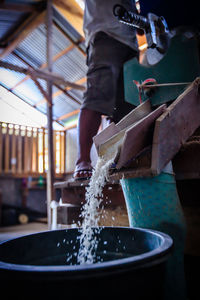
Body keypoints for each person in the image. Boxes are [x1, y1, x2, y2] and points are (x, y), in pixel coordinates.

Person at [73, 0, 139, 180]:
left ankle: (118, 157)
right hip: (105, 32)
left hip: (130, 42)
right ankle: (83, 160)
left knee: (126, 106)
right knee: (97, 96)